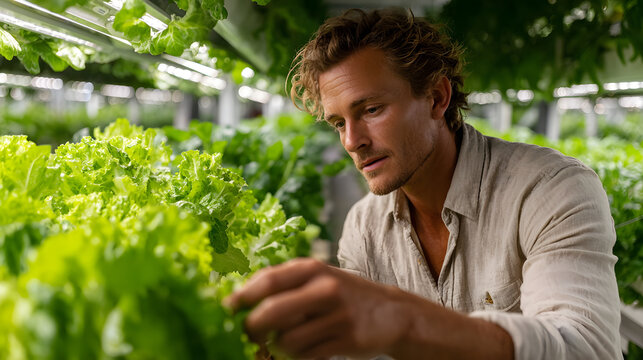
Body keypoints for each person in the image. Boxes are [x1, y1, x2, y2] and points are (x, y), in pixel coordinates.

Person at [225, 8, 622, 360]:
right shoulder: (363, 227)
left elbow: (585, 347)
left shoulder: (550, 190)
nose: (352, 141)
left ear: (436, 97)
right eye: (339, 123)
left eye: (372, 109)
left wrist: (403, 319)